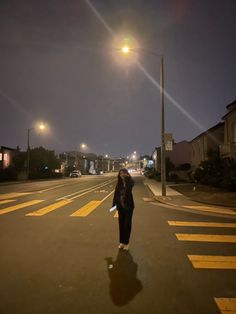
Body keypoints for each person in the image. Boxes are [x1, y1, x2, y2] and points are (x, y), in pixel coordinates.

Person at [112, 168, 135, 251]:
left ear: (126, 174)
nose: (122, 175)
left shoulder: (129, 182)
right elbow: (115, 195)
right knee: (121, 225)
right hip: (121, 208)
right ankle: (121, 242)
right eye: (120, 173)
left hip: (129, 207)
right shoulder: (119, 184)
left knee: (127, 225)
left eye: (123, 173)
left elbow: (131, 185)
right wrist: (114, 205)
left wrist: (127, 178)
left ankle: (127, 243)